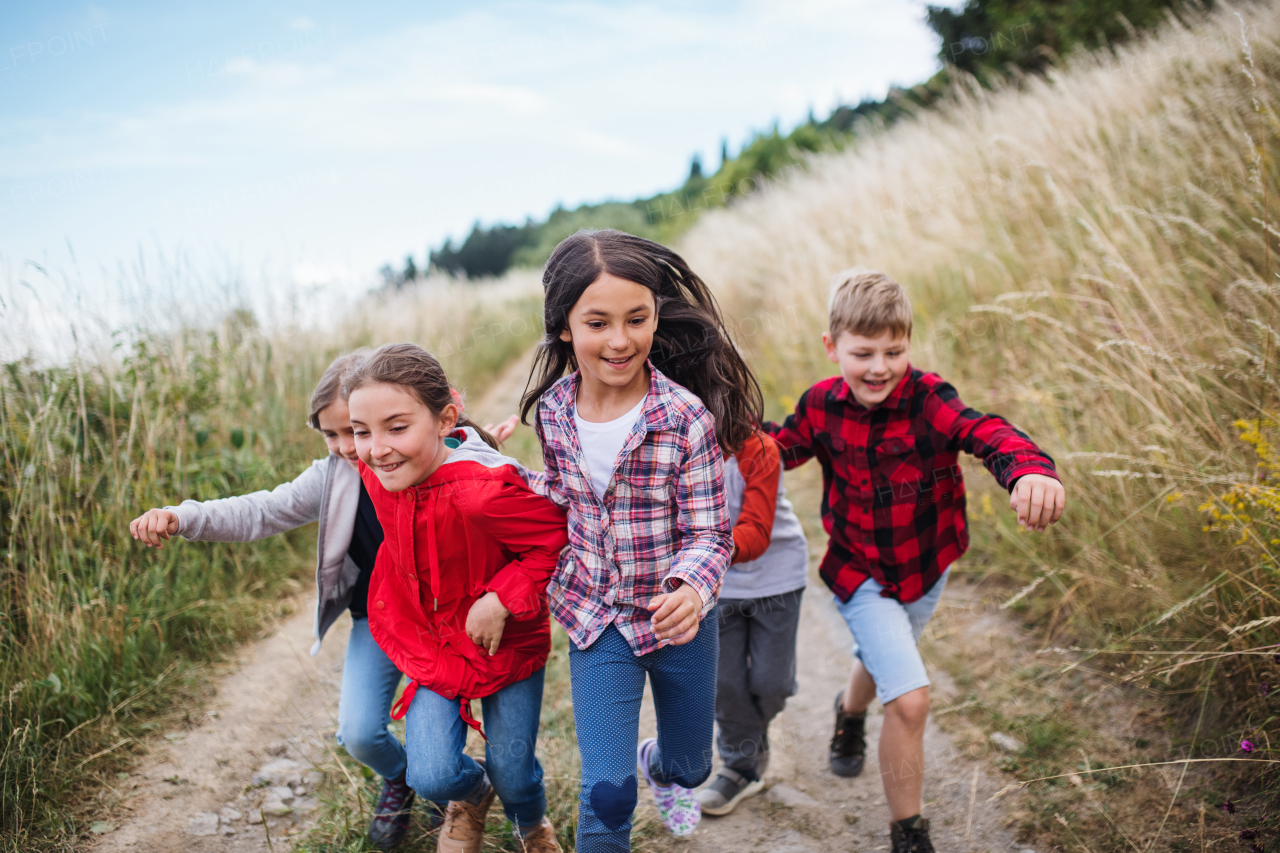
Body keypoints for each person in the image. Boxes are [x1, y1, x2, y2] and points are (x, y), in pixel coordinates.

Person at [763, 268, 1065, 853]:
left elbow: (987, 432)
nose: (879, 367)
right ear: (833, 348)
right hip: (858, 572)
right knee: (911, 697)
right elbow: (777, 449)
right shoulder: (822, 405)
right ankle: (909, 832)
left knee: (883, 664)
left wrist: (1029, 469)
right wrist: (720, 431)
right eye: (863, 352)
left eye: (894, 351)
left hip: (927, 566)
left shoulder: (928, 398)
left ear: (908, 345)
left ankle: (848, 712)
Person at [513, 229, 763, 852]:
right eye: (598, 322)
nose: (620, 340)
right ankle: (621, 799)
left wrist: (691, 586)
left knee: (692, 766)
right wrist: (497, 472)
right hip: (595, 620)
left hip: (676, 620)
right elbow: (565, 496)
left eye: (637, 319)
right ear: (564, 327)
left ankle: (664, 768)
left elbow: (710, 530)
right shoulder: (551, 413)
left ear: (656, 318)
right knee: (606, 793)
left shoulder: (685, 418)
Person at [128, 351, 441, 849]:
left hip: (443, 616)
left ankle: (455, 786)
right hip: (378, 619)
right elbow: (262, 511)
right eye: (332, 435)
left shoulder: (419, 455)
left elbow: (475, 462)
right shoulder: (333, 476)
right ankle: (400, 780)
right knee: (359, 733)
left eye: (351, 431)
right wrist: (182, 516)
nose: (346, 448)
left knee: (441, 753)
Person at [343, 343, 569, 853]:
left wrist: (500, 599)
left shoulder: (484, 493)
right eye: (362, 431)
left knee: (514, 773)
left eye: (397, 428)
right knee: (433, 775)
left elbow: (555, 536)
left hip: (502, 645)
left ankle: (531, 823)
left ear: (445, 418)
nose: (377, 448)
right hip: (432, 645)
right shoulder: (379, 474)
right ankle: (471, 794)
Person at [696, 430, 809, 816]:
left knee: (770, 683)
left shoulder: (759, 449)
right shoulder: (675, 448)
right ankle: (739, 767)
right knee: (724, 683)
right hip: (715, 585)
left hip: (777, 578)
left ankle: (750, 734)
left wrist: (703, 550)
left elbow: (757, 531)